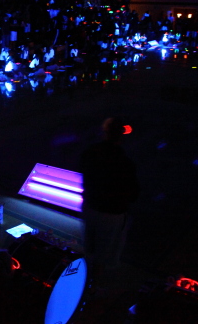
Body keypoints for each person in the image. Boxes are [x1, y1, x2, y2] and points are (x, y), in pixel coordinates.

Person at [80, 117, 139, 291]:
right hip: (112, 214)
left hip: (90, 207)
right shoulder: (125, 162)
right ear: (121, 137)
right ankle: (93, 288)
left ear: (104, 133)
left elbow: (83, 169)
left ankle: (85, 280)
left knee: (90, 247)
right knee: (104, 252)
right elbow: (133, 193)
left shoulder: (90, 152)